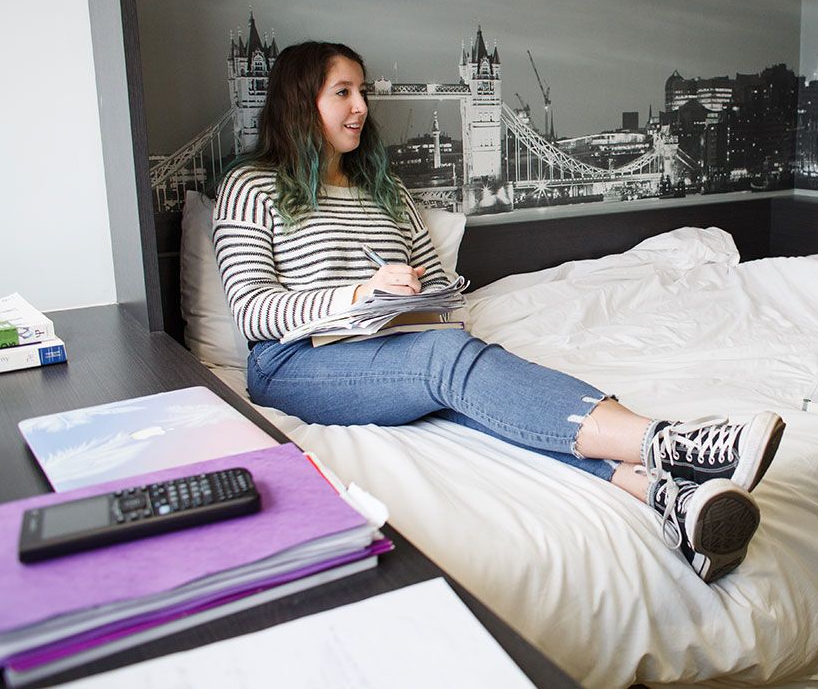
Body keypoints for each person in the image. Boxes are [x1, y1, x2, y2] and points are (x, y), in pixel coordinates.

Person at [212, 41, 786, 583]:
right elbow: (254, 313)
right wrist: (360, 296)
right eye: (343, 92)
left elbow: (437, 288)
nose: (362, 106)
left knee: (480, 392)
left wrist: (419, 303)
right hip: (293, 363)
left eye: (362, 92)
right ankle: (672, 443)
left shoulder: (387, 194)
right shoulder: (251, 185)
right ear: (298, 101)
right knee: (450, 361)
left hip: (389, 352)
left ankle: (668, 498)